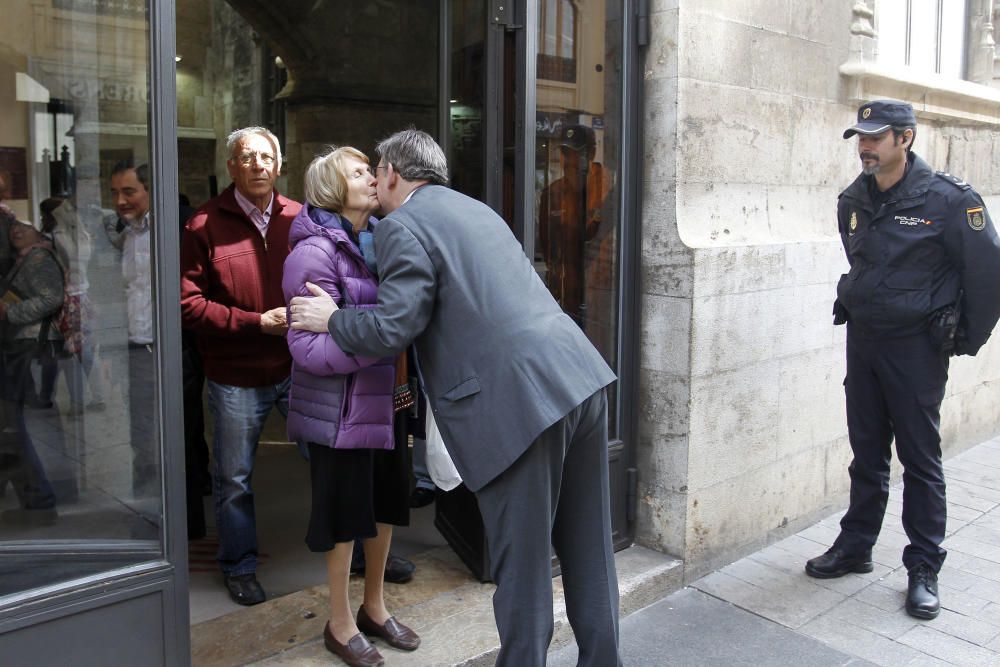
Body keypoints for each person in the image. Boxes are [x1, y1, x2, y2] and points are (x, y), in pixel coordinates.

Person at [290, 129, 621, 666]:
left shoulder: (401, 226)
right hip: (578, 375)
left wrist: (332, 318)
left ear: (394, 174)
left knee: (523, 564)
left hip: (521, 404)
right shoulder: (478, 209)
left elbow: (393, 327)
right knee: (589, 549)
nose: (374, 181)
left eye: (376, 172)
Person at [805, 100, 1000, 620]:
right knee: (866, 452)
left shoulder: (951, 200)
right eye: (861, 138)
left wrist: (963, 340)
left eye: (876, 137)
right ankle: (856, 545)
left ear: (905, 139)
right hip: (865, 339)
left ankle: (924, 566)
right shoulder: (855, 196)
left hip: (916, 348)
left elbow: (987, 277)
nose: (864, 147)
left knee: (920, 460)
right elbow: (860, 258)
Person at [284, 146, 419, 667]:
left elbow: (406, 315)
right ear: (329, 189)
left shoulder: (383, 240)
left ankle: (375, 607)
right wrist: (384, 337)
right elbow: (308, 348)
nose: (372, 177)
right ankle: (339, 623)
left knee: (385, 507)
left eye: (370, 170)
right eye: (358, 172)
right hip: (340, 410)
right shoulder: (312, 252)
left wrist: (355, 323)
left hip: (391, 397)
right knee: (344, 520)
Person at [180, 126, 302, 606]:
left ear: (279, 164)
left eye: (266, 156)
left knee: (335, 457)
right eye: (246, 157)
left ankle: (357, 550)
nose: (257, 165)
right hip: (235, 377)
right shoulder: (203, 225)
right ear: (230, 166)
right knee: (233, 480)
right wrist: (255, 322)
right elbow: (188, 306)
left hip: (298, 367)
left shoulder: (300, 217)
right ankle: (239, 565)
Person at [0, 221, 64, 524]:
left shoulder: (38, 258)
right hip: (21, 342)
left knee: (15, 418)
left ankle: (39, 498)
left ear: (38, 234)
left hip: (30, 342)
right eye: (12, 233)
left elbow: (52, 298)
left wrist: (10, 312)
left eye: (22, 230)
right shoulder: (25, 258)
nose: (16, 234)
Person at [108, 161, 158, 501]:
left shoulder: (169, 231)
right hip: (135, 346)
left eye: (129, 191)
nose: (121, 200)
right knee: (141, 429)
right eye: (115, 193)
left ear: (150, 191)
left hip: (166, 347)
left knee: (168, 432)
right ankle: (148, 501)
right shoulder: (125, 234)